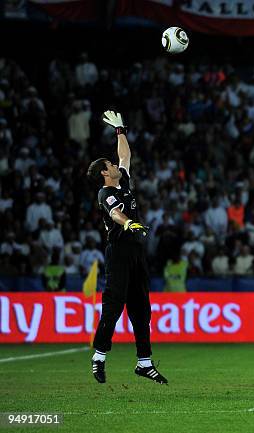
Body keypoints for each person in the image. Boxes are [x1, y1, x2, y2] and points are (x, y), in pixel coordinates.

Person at [86, 110, 167, 384]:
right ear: (103, 174)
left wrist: (120, 130)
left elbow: (125, 157)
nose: (115, 166)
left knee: (141, 309)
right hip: (118, 253)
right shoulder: (106, 193)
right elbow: (115, 215)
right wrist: (129, 224)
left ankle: (144, 363)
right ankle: (99, 357)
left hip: (136, 253)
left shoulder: (123, 183)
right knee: (113, 307)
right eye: (109, 165)